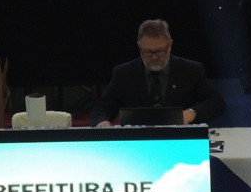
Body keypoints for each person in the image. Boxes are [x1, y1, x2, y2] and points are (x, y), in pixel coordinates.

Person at [91, 19, 226, 126]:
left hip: (180, 138)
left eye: (160, 51)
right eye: (148, 52)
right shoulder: (124, 73)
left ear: (170, 45)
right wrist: (102, 122)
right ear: (139, 46)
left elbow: (216, 102)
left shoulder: (191, 70)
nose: (154, 57)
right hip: (137, 139)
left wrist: (191, 113)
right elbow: (103, 106)